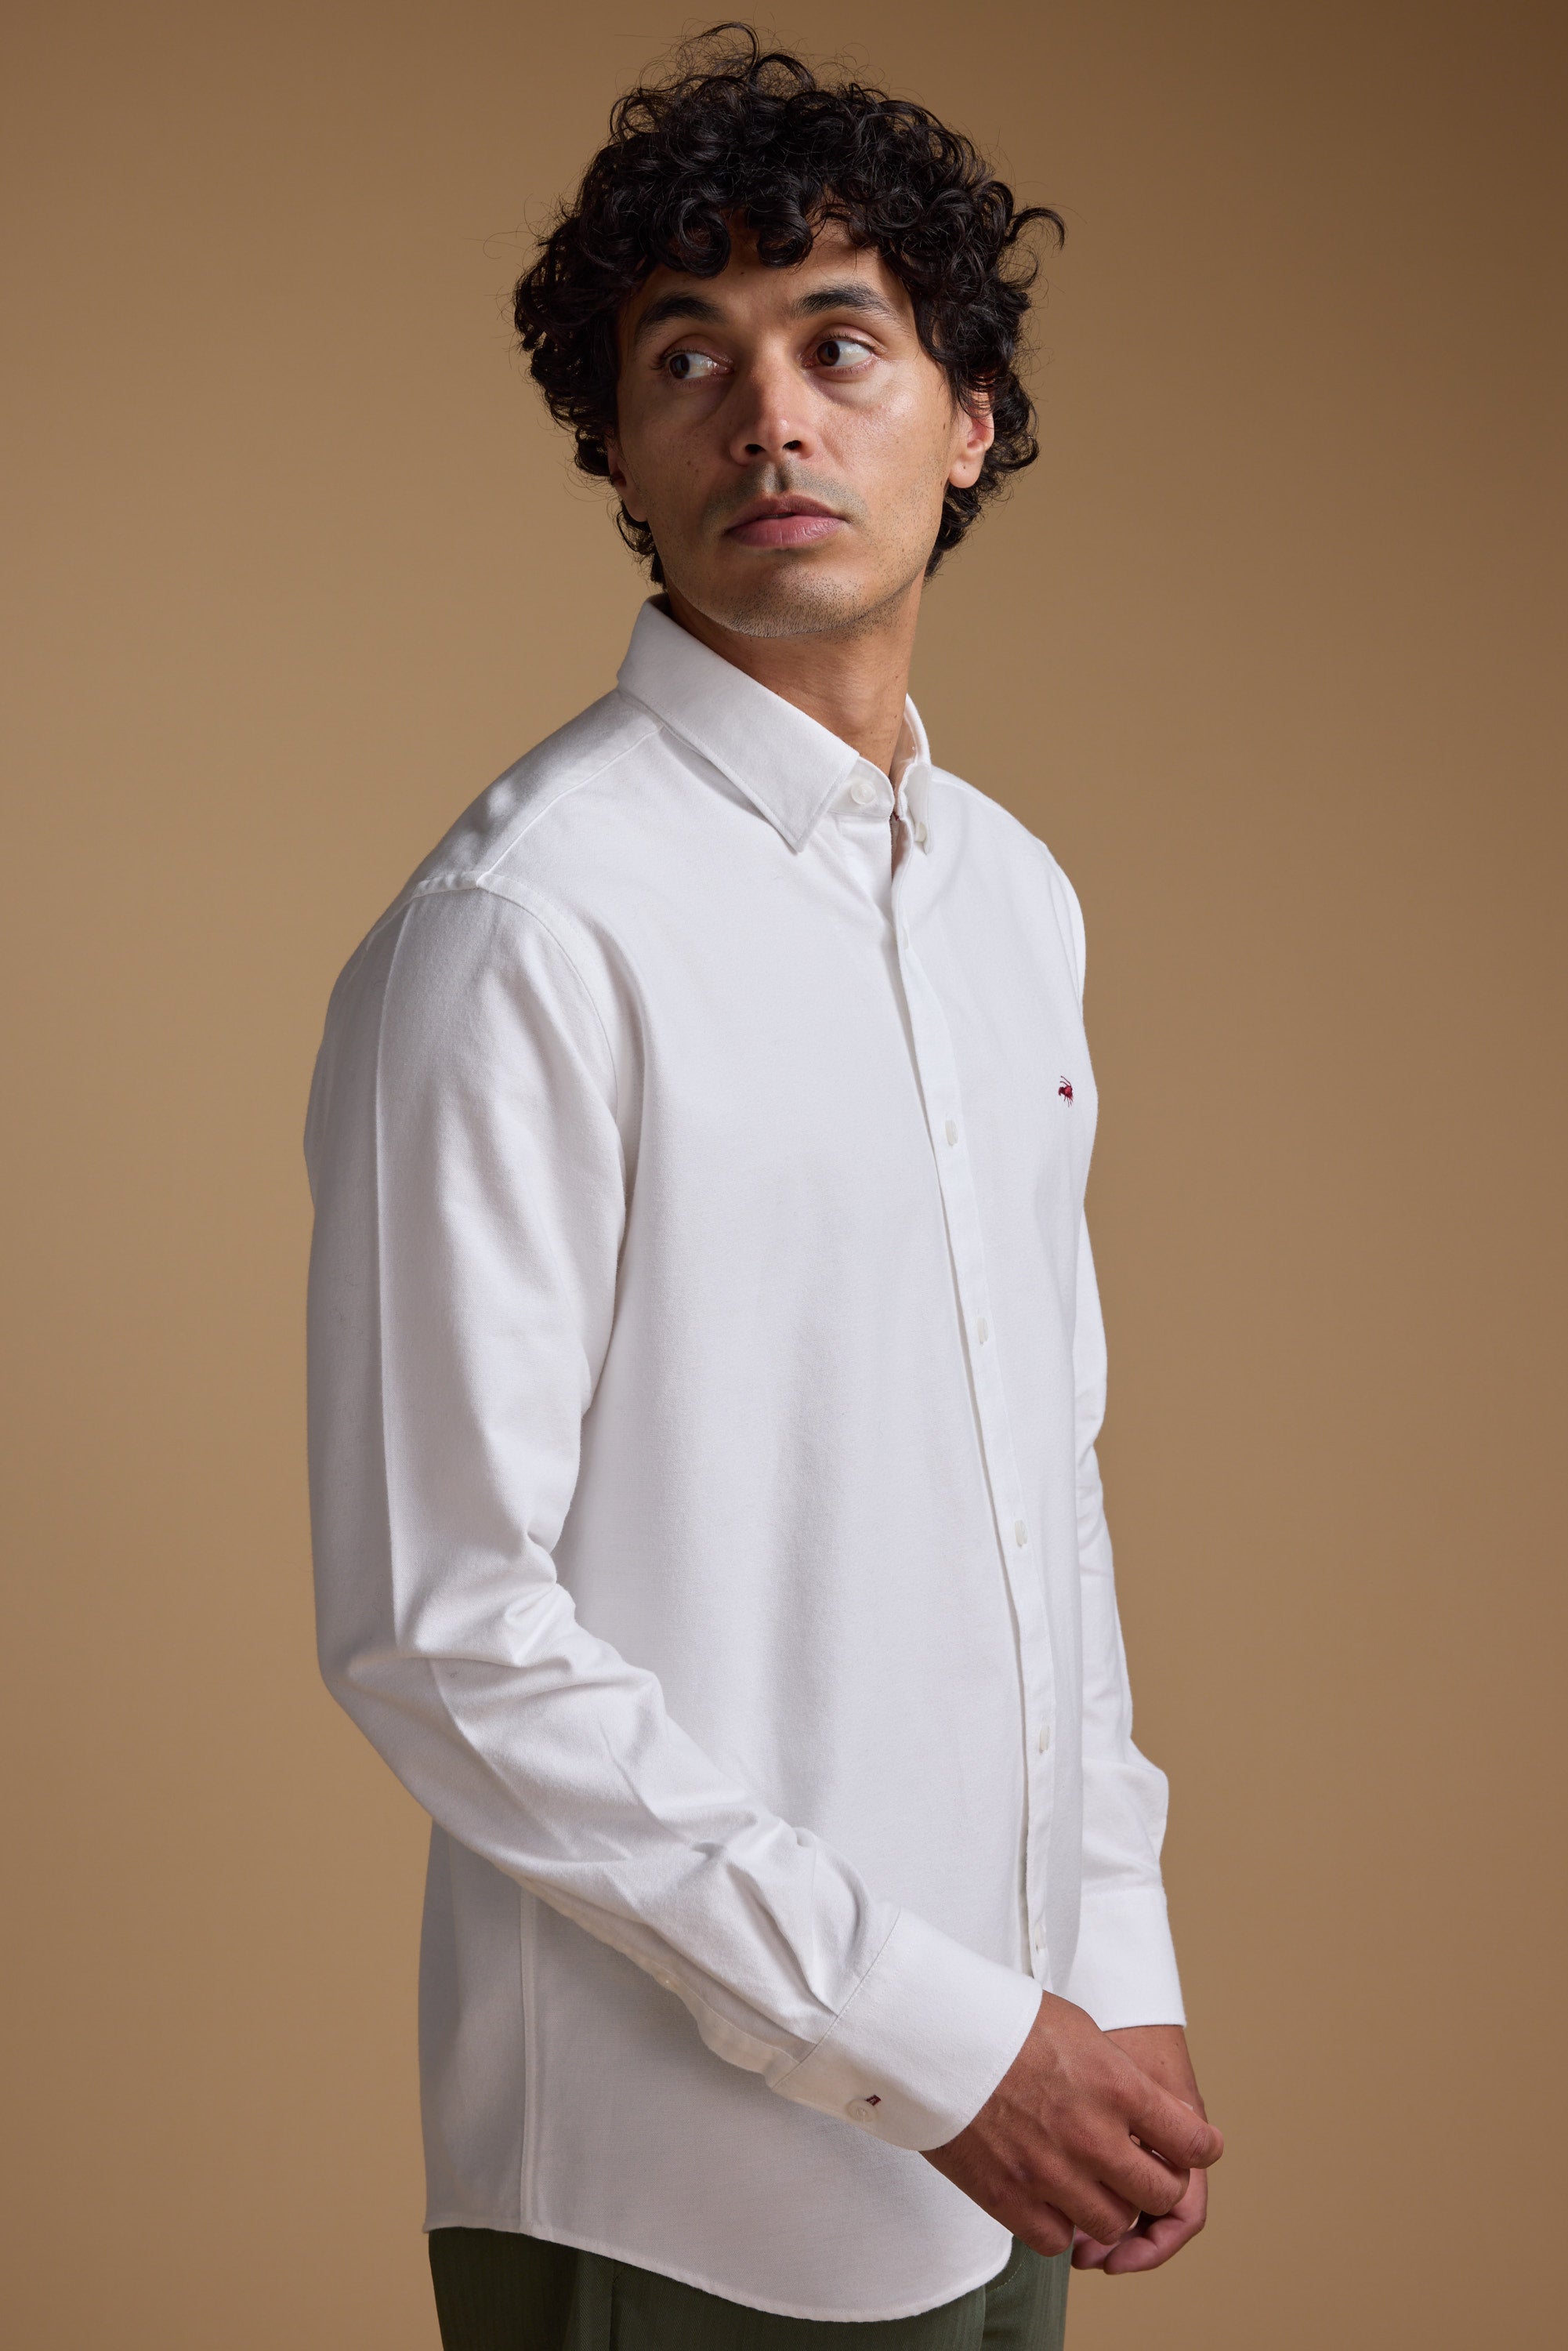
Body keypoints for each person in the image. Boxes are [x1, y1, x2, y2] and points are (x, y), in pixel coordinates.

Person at [304, 30, 1222, 2350]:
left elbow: (1042, 1476)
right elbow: (444, 1628)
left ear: (968, 416)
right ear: (620, 449)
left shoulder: (1011, 896)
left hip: (1012, 2138)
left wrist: (1109, 1960)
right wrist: (938, 2043)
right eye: (687, 362)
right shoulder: (527, 928)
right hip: (683, 2196)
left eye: (841, 346)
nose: (770, 422)